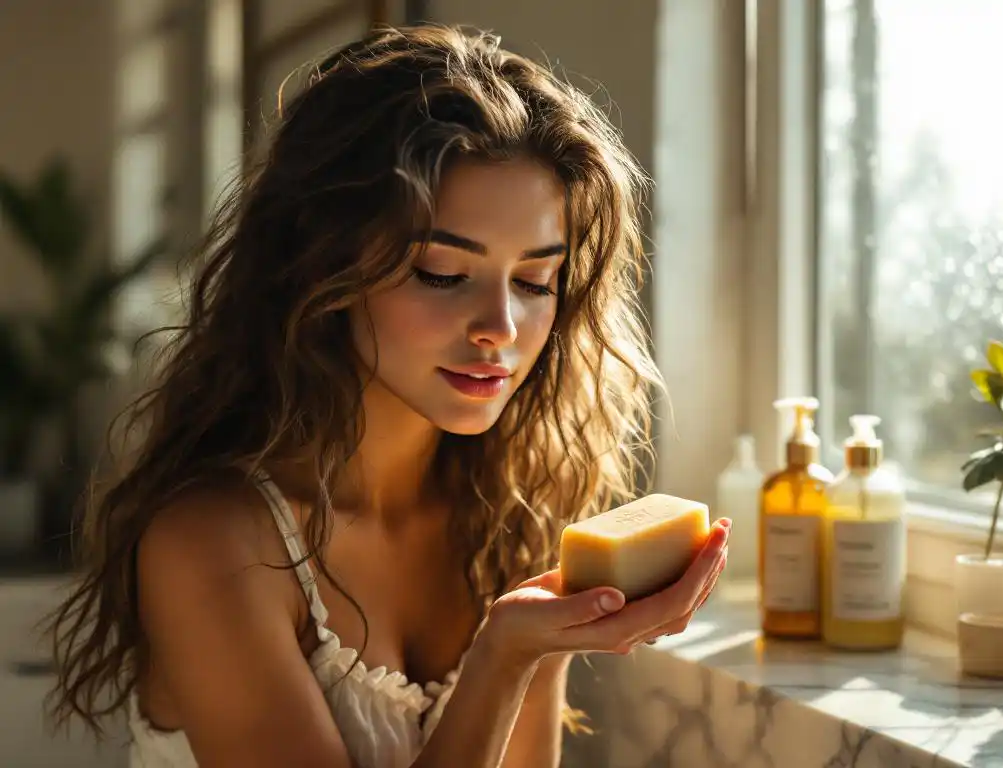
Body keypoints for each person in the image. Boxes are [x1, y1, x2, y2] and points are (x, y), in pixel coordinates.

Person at [47, 23, 730, 768]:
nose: (501, 327)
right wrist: (504, 657)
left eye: (536, 281)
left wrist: (540, 646)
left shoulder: (505, 513)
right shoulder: (214, 544)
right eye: (443, 274)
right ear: (325, 268)